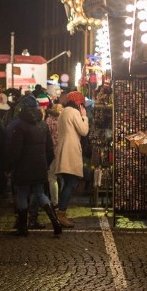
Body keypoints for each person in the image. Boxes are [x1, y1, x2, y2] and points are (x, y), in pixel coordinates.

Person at [8, 93, 61, 236]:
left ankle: (23, 228)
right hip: (40, 166)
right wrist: (46, 164)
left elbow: (16, 150)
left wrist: (11, 166)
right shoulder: (43, 125)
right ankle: (56, 223)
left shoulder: (20, 126)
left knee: (22, 194)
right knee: (40, 193)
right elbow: (49, 149)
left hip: (23, 167)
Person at [50, 91, 89, 228]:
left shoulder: (64, 112)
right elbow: (84, 131)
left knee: (67, 183)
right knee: (71, 183)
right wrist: (84, 117)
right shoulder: (74, 112)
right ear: (78, 103)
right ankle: (61, 214)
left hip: (63, 150)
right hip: (70, 151)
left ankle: (60, 212)